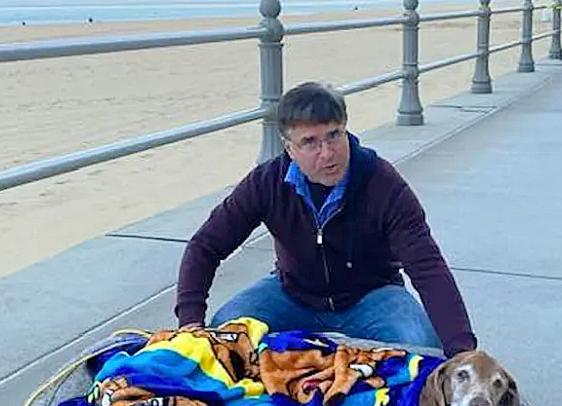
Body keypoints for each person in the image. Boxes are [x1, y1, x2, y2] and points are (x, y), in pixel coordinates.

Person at [174, 81, 476, 356]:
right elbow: (206, 246)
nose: (328, 153)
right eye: (310, 142)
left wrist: (462, 348)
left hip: (372, 296)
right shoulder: (267, 183)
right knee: (225, 335)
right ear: (289, 147)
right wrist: (190, 322)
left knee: (423, 347)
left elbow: (427, 266)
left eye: (334, 135)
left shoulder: (383, 184)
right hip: (291, 294)